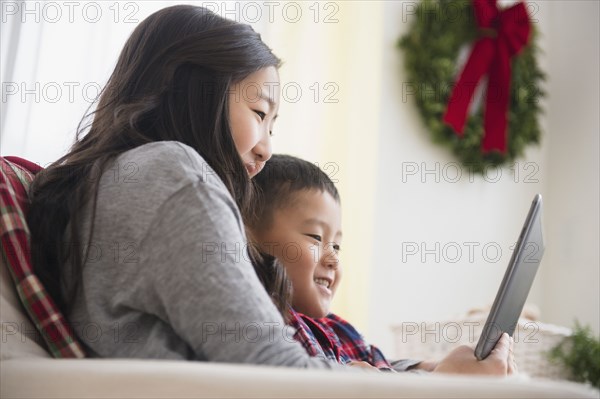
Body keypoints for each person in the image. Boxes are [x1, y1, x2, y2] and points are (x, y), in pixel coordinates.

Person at [27, 4, 513, 375]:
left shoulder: (107, 181)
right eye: (260, 113)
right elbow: (274, 369)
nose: (264, 151)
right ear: (195, 89)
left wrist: (426, 373)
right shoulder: (172, 175)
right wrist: (439, 385)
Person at [249, 154, 516, 375]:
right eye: (316, 237)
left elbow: (380, 363)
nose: (333, 258)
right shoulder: (271, 324)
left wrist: (430, 368)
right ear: (250, 238)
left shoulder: (338, 329)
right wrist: (445, 379)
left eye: (337, 246)